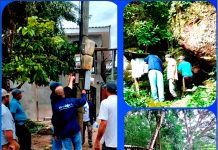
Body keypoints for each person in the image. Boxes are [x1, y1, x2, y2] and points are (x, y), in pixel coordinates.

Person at [51, 77, 86, 150]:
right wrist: (83, 94)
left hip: (65, 132)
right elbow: (82, 101)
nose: (65, 91)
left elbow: (56, 122)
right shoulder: (72, 101)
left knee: (67, 148)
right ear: (62, 93)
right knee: (78, 147)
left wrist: (71, 80)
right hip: (75, 129)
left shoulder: (55, 105)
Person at [50, 74, 77, 150]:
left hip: (57, 123)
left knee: (57, 143)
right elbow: (68, 89)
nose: (62, 89)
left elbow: (67, 89)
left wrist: (69, 81)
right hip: (58, 124)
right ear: (57, 90)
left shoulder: (54, 95)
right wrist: (71, 80)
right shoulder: (57, 97)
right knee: (57, 141)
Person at [94, 81, 117, 150]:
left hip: (109, 143)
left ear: (106, 90)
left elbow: (103, 124)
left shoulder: (105, 103)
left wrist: (97, 141)